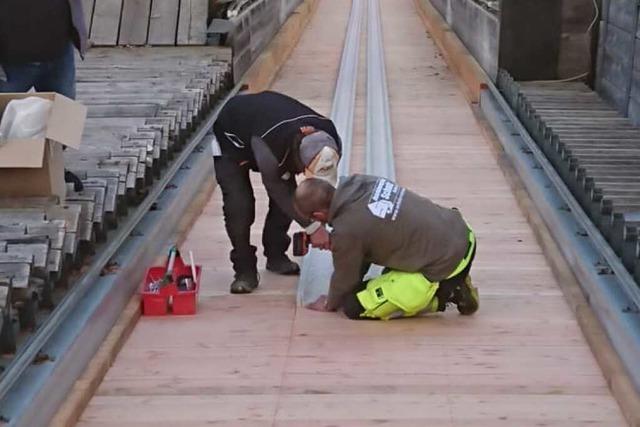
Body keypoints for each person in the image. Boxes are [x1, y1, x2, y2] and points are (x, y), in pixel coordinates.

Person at [293, 175, 479, 320]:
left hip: (450, 262)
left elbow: (345, 278)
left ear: (318, 213)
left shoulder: (347, 232)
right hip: (460, 230)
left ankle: (447, 295)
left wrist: (329, 303)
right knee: (381, 277)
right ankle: (451, 282)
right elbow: (368, 233)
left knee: (353, 305)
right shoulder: (360, 182)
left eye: (314, 220)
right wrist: (347, 248)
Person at [212, 91, 342, 294]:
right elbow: (279, 190)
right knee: (240, 206)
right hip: (233, 135)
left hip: (272, 128)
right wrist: (313, 227)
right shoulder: (270, 149)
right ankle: (244, 270)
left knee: (292, 199)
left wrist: (333, 220)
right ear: (301, 161)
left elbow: (322, 192)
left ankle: (275, 255)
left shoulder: (330, 138)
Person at [0, 0, 89, 191]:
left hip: (57, 48)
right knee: (2, 116)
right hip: (12, 56)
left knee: (64, 113)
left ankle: (55, 167)